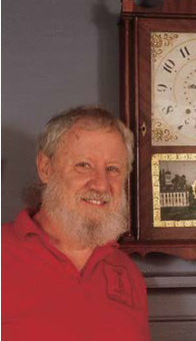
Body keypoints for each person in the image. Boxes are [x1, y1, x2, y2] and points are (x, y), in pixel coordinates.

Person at [2, 106, 150, 341]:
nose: (101, 185)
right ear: (45, 168)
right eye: (84, 165)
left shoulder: (128, 274)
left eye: (113, 169)